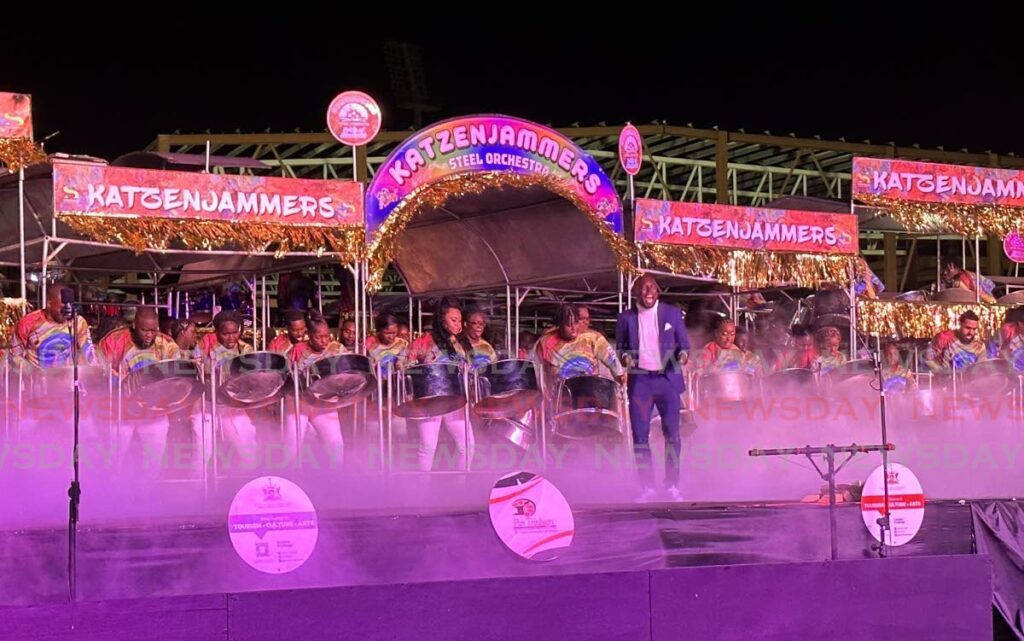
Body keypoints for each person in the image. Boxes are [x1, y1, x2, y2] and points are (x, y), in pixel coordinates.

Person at [615, 273, 690, 502]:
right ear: (635, 292)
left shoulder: (672, 313)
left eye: (652, 287)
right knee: (639, 436)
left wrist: (683, 355)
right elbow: (621, 348)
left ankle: (672, 486)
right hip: (640, 382)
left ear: (657, 290)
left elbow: (684, 344)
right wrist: (626, 358)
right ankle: (647, 487)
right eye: (643, 288)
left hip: (667, 381)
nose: (648, 292)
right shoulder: (625, 318)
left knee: (673, 435)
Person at [406, 297, 475, 471]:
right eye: (453, 320)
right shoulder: (424, 341)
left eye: (460, 320)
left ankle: (461, 486)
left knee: (467, 445)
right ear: (441, 321)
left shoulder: (463, 344)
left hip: (456, 401)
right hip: (430, 401)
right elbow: (404, 365)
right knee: (428, 447)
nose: (458, 325)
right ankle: (422, 490)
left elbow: (472, 369)